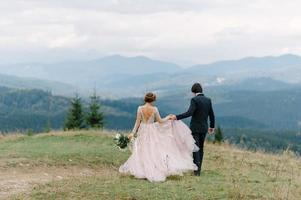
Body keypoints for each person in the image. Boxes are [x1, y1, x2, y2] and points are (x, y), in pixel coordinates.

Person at [119, 92, 198, 182]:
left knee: (143, 149)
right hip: (152, 130)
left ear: (145, 99)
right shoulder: (154, 109)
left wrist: (133, 133)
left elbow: (137, 122)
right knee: (153, 149)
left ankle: (143, 170)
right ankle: (153, 168)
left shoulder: (140, 108)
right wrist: (168, 117)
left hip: (143, 130)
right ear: (153, 99)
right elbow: (160, 121)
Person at [170, 83, 215, 176]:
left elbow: (189, 113)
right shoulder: (208, 100)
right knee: (201, 148)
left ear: (193, 91)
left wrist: (176, 117)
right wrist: (212, 127)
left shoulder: (194, 99)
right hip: (204, 128)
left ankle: (196, 171)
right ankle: (199, 170)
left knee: (195, 148)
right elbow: (212, 115)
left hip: (195, 128)